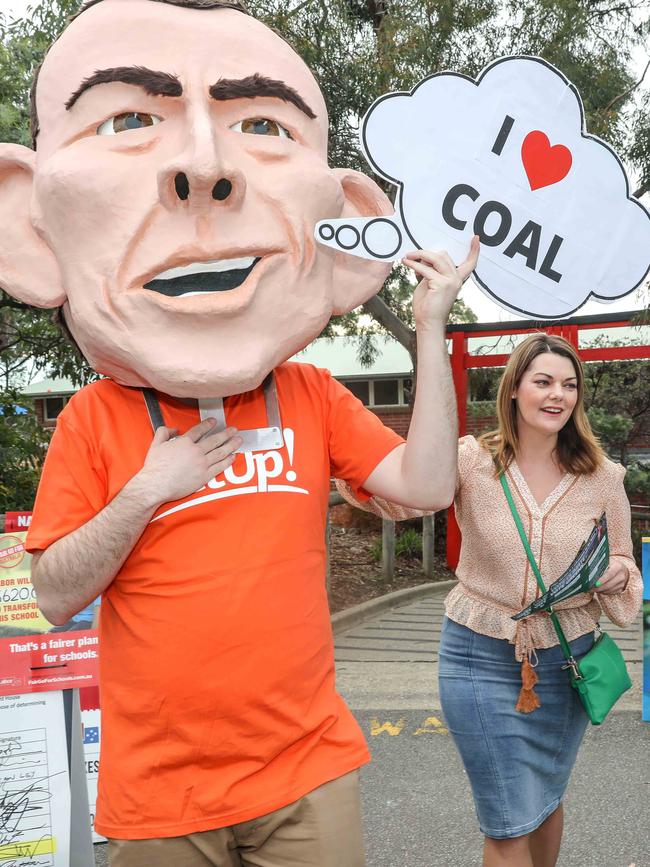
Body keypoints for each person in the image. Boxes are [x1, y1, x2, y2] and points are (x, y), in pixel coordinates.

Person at [0, 0, 479, 863]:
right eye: (130, 119)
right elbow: (57, 591)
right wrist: (146, 489)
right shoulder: (91, 418)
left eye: (261, 124)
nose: (204, 167)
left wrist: (434, 325)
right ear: (29, 224)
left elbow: (428, 486)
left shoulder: (311, 395)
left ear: (346, 232)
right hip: (159, 795)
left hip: (306, 771)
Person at [340, 333, 642, 867]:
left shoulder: (602, 476)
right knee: (506, 819)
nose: (558, 395)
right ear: (514, 390)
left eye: (569, 385)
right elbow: (400, 499)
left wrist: (616, 573)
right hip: (478, 655)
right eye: (543, 381)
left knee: (545, 799)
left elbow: (623, 557)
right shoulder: (471, 462)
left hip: (567, 660)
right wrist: (349, 464)